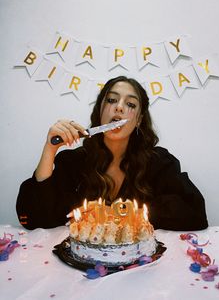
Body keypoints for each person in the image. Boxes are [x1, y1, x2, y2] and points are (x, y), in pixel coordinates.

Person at [16, 76, 208, 231]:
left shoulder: (159, 162)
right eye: (111, 100)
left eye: (131, 104)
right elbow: (31, 218)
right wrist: (49, 150)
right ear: (101, 110)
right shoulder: (72, 161)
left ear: (139, 120)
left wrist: (119, 213)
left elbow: (196, 215)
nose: (119, 107)